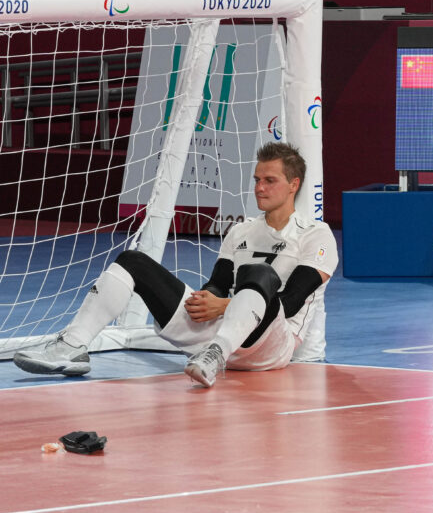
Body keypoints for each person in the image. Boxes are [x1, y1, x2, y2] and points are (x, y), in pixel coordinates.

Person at [13, 142, 339, 388]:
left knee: (258, 274)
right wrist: (206, 300)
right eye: (256, 179)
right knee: (133, 261)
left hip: (271, 346)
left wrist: (223, 304)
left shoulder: (315, 235)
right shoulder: (241, 231)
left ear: (294, 185)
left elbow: (292, 303)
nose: (259, 187)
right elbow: (218, 284)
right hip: (219, 332)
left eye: (270, 180)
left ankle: (216, 354)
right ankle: (73, 346)